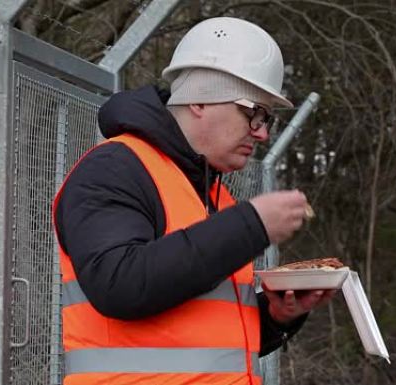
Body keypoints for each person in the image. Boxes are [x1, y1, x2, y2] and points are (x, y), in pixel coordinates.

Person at [53, 17, 335, 385]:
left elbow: (208, 341)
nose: (263, 133)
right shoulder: (115, 169)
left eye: (268, 119)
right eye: (254, 114)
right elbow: (120, 285)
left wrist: (276, 316)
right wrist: (251, 226)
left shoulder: (212, 193)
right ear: (201, 98)